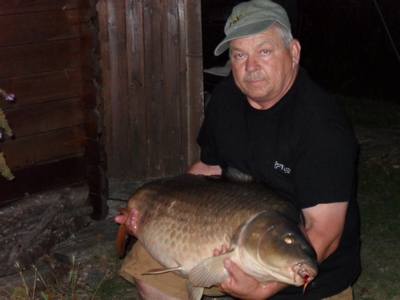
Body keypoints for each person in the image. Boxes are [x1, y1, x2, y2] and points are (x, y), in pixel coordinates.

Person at [115, 0, 361, 299]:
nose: (251, 67)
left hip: (308, 265)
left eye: (264, 51)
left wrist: (262, 289)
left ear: (293, 52)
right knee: (148, 268)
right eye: (240, 55)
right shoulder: (226, 98)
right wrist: (158, 210)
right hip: (234, 231)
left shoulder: (321, 126)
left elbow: (325, 232)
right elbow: (207, 169)